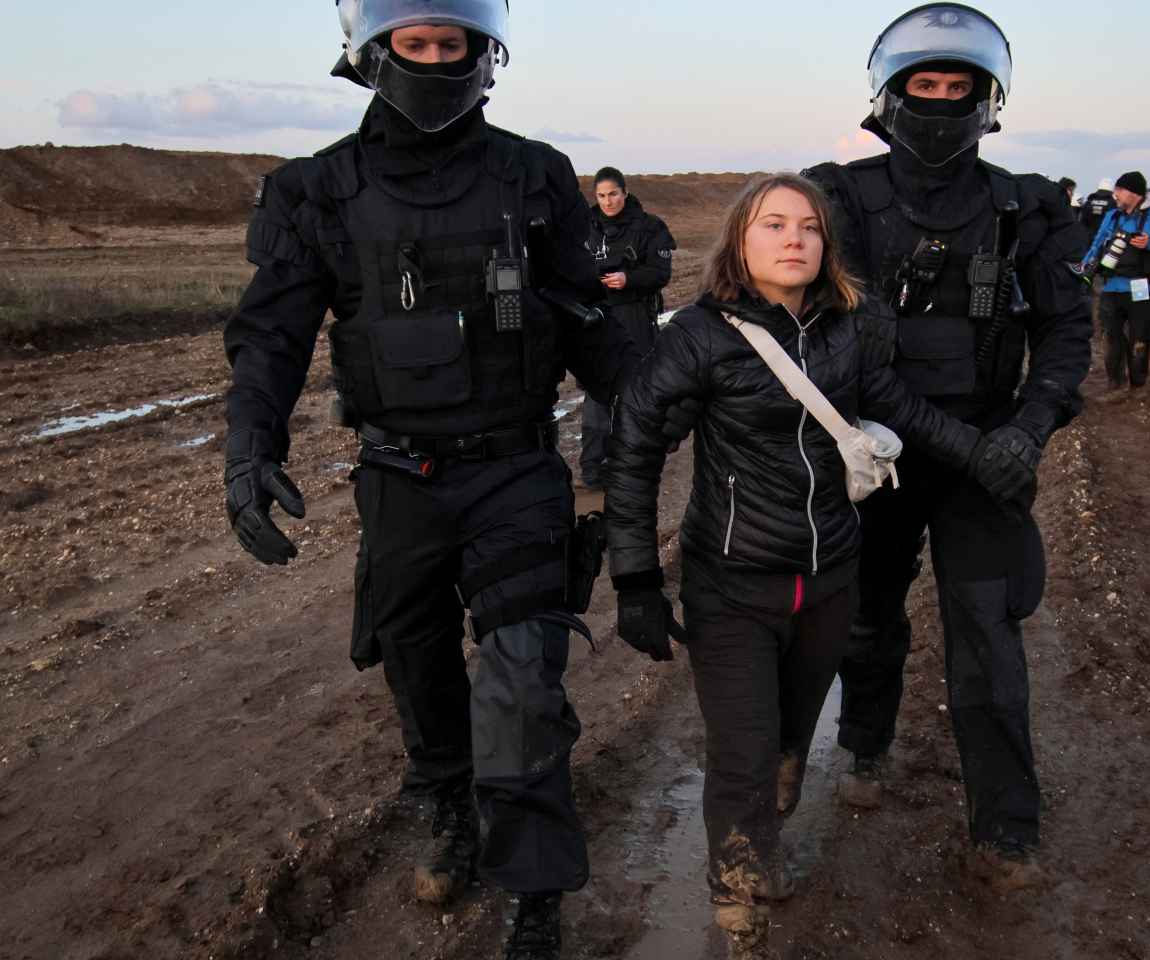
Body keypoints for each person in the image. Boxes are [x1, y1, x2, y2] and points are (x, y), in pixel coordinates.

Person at [221, 4, 636, 957]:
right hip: (399, 473)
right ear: (375, 53)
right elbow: (273, 334)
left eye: (455, 45)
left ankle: (534, 887)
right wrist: (251, 445)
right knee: (416, 661)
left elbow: (588, 323)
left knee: (525, 678)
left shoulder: (535, 175)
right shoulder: (317, 190)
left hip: (517, 465)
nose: (438, 62)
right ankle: (451, 805)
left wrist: (682, 412)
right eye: (418, 44)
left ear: (484, 54)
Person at [603, 174, 1019, 956]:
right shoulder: (698, 335)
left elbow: (901, 407)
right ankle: (739, 902)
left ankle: (775, 803)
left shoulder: (848, 331)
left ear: (827, 246)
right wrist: (634, 581)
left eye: (808, 227)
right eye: (773, 224)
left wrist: (984, 456)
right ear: (739, 242)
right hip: (731, 582)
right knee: (743, 747)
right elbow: (632, 449)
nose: (794, 238)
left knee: (792, 735)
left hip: (830, 579)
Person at [802, 2, 1092, 891]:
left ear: (986, 97)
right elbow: (840, 345)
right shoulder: (839, 198)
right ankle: (865, 745)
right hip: (879, 451)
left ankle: (1006, 829)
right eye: (920, 85)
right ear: (888, 97)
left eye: (953, 86)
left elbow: (1067, 332)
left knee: (989, 633)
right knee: (868, 615)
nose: (936, 101)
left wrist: (1029, 431)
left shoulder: (1027, 207)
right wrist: (971, 445)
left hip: (989, 454)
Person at [578, 166, 675, 489]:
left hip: (636, 316)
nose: (608, 202)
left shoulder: (649, 228)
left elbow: (661, 272)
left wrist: (628, 279)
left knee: (636, 392)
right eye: (602, 196)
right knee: (596, 396)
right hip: (596, 319)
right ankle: (593, 470)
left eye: (613, 194)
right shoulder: (584, 228)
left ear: (625, 193)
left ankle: (636, 466)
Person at [1081, 171, 1150, 390]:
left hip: (1142, 287)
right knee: (1111, 337)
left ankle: (1137, 385)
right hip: (1111, 285)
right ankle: (1115, 383)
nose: (1115, 195)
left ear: (1133, 193)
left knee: (1139, 338)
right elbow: (1097, 243)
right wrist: (1085, 266)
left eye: (1119, 190)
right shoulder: (1113, 215)